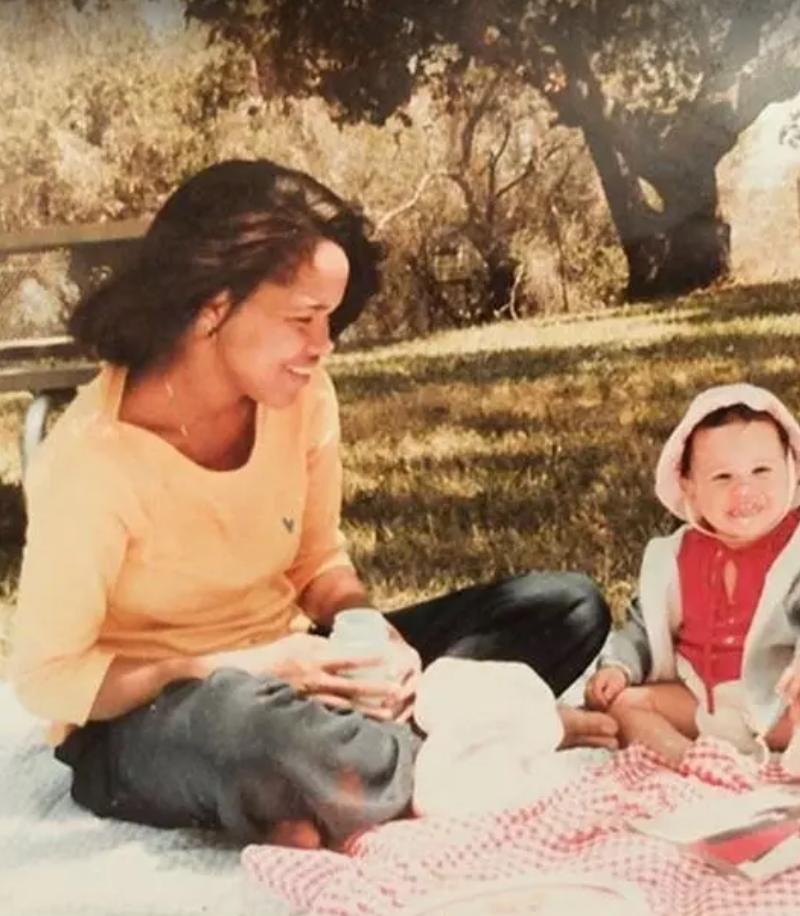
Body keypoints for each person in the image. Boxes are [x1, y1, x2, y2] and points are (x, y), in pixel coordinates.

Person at [8, 159, 617, 850]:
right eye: (304, 317)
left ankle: (388, 750)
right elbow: (48, 680)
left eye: (329, 320)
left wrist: (365, 630)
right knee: (256, 739)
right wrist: (247, 667)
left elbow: (318, 562)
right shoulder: (91, 459)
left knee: (564, 606)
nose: (321, 347)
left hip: (306, 681)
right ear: (212, 303)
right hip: (158, 717)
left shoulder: (299, 398)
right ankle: (474, 734)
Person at [584, 384, 800, 777]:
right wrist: (619, 666)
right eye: (722, 476)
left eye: (761, 471)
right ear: (689, 488)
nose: (744, 490)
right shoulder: (674, 558)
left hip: (779, 701)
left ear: (790, 470)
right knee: (626, 705)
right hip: (699, 700)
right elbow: (643, 628)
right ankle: (690, 761)